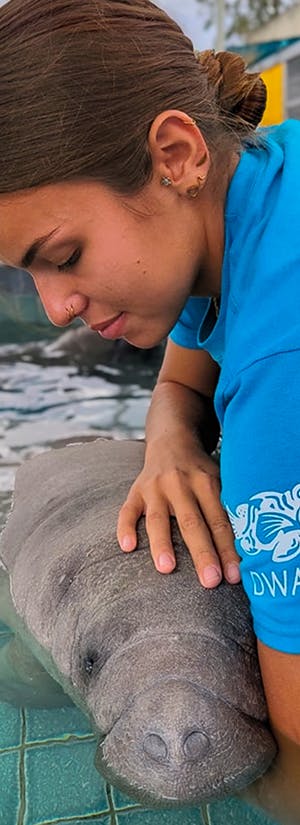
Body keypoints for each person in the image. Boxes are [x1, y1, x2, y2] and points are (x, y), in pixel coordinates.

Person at [0, 0, 299, 820]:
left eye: (62, 258)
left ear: (176, 155)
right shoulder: (259, 187)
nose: (55, 307)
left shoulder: (282, 371)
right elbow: (185, 374)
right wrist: (171, 438)